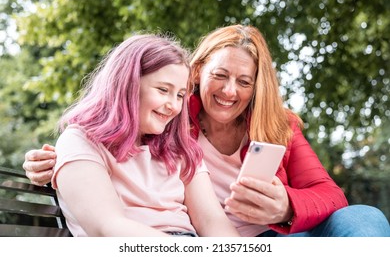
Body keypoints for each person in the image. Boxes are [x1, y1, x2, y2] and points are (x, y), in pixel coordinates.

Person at [23, 25, 390, 237]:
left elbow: (328, 194)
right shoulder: (176, 124)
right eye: (220, 75)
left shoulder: (276, 125)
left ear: (257, 86)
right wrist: (55, 161)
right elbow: (105, 130)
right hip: (187, 243)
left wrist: (286, 208)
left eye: (244, 81)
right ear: (199, 74)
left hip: (262, 238)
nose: (230, 91)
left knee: (364, 219)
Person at [34, 33, 240, 237]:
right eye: (162, 90)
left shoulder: (180, 149)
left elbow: (213, 221)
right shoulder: (80, 142)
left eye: (179, 95)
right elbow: (108, 228)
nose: (174, 106)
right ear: (128, 85)